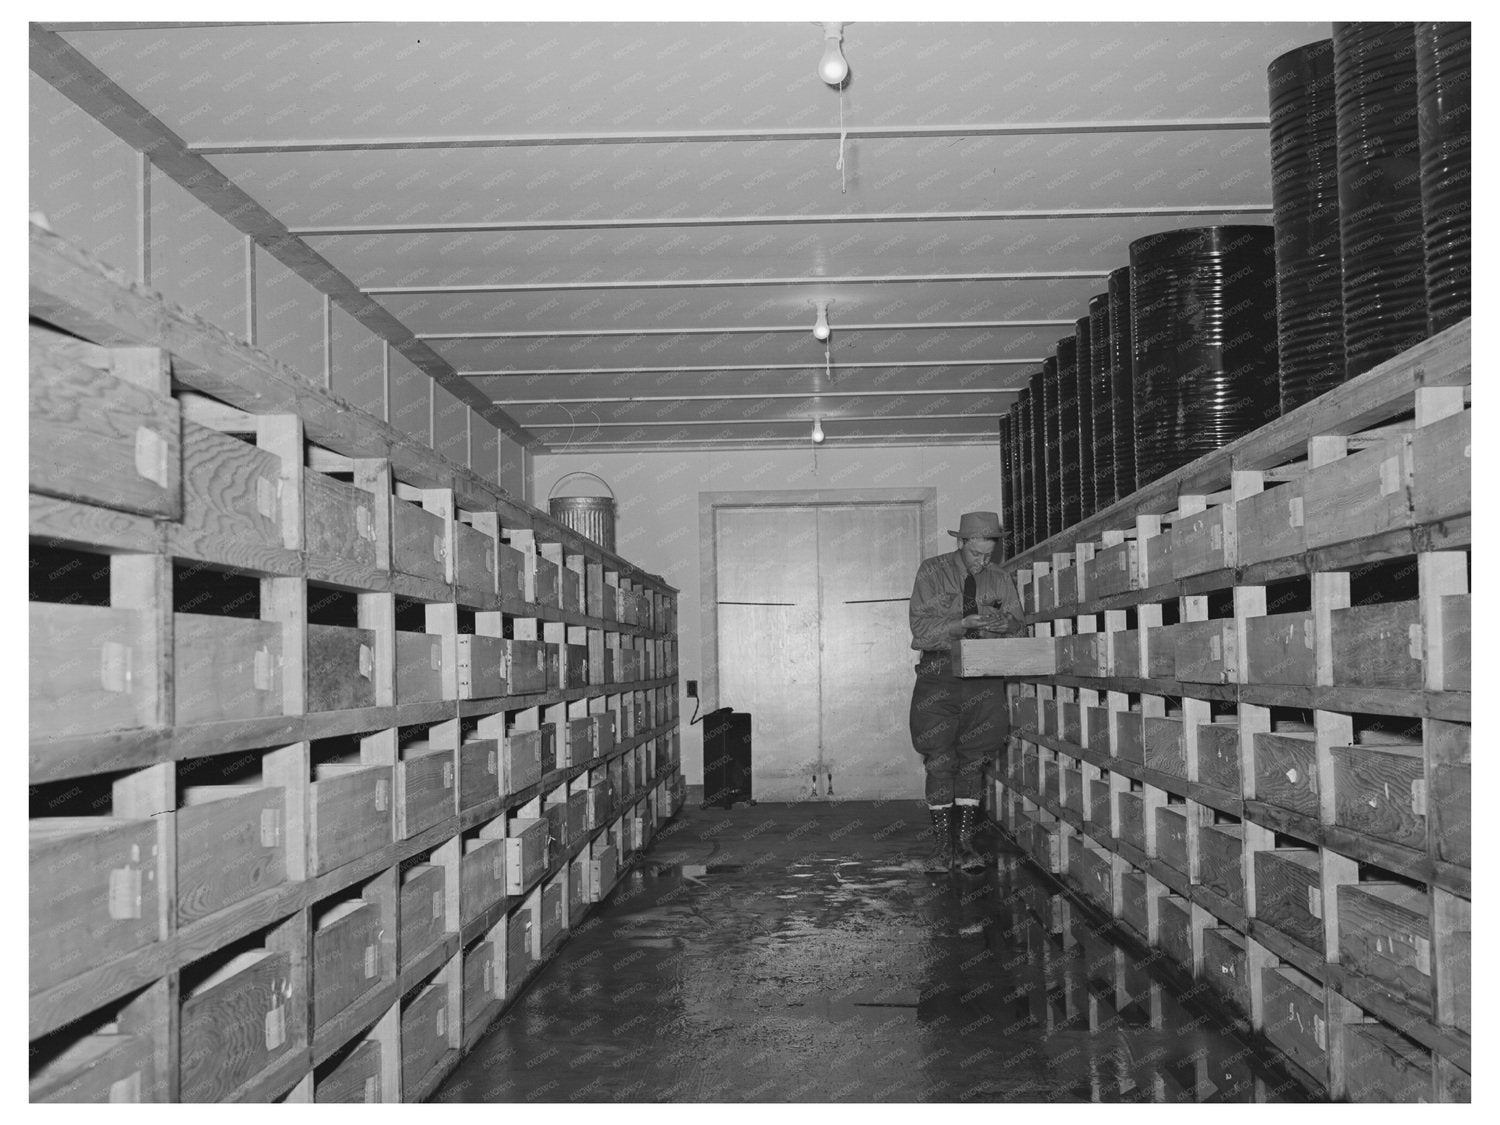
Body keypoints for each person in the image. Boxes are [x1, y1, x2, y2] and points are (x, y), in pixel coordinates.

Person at [908, 510, 1027, 873]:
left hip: (984, 675)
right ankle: (942, 847)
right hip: (939, 674)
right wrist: (961, 624)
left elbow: (1020, 628)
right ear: (961, 542)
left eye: (988, 554)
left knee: (973, 761)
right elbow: (920, 630)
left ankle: (964, 845)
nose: (982, 561)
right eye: (976, 554)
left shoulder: (1000, 578)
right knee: (939, 760)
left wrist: (1005, 625)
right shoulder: (932, 572)